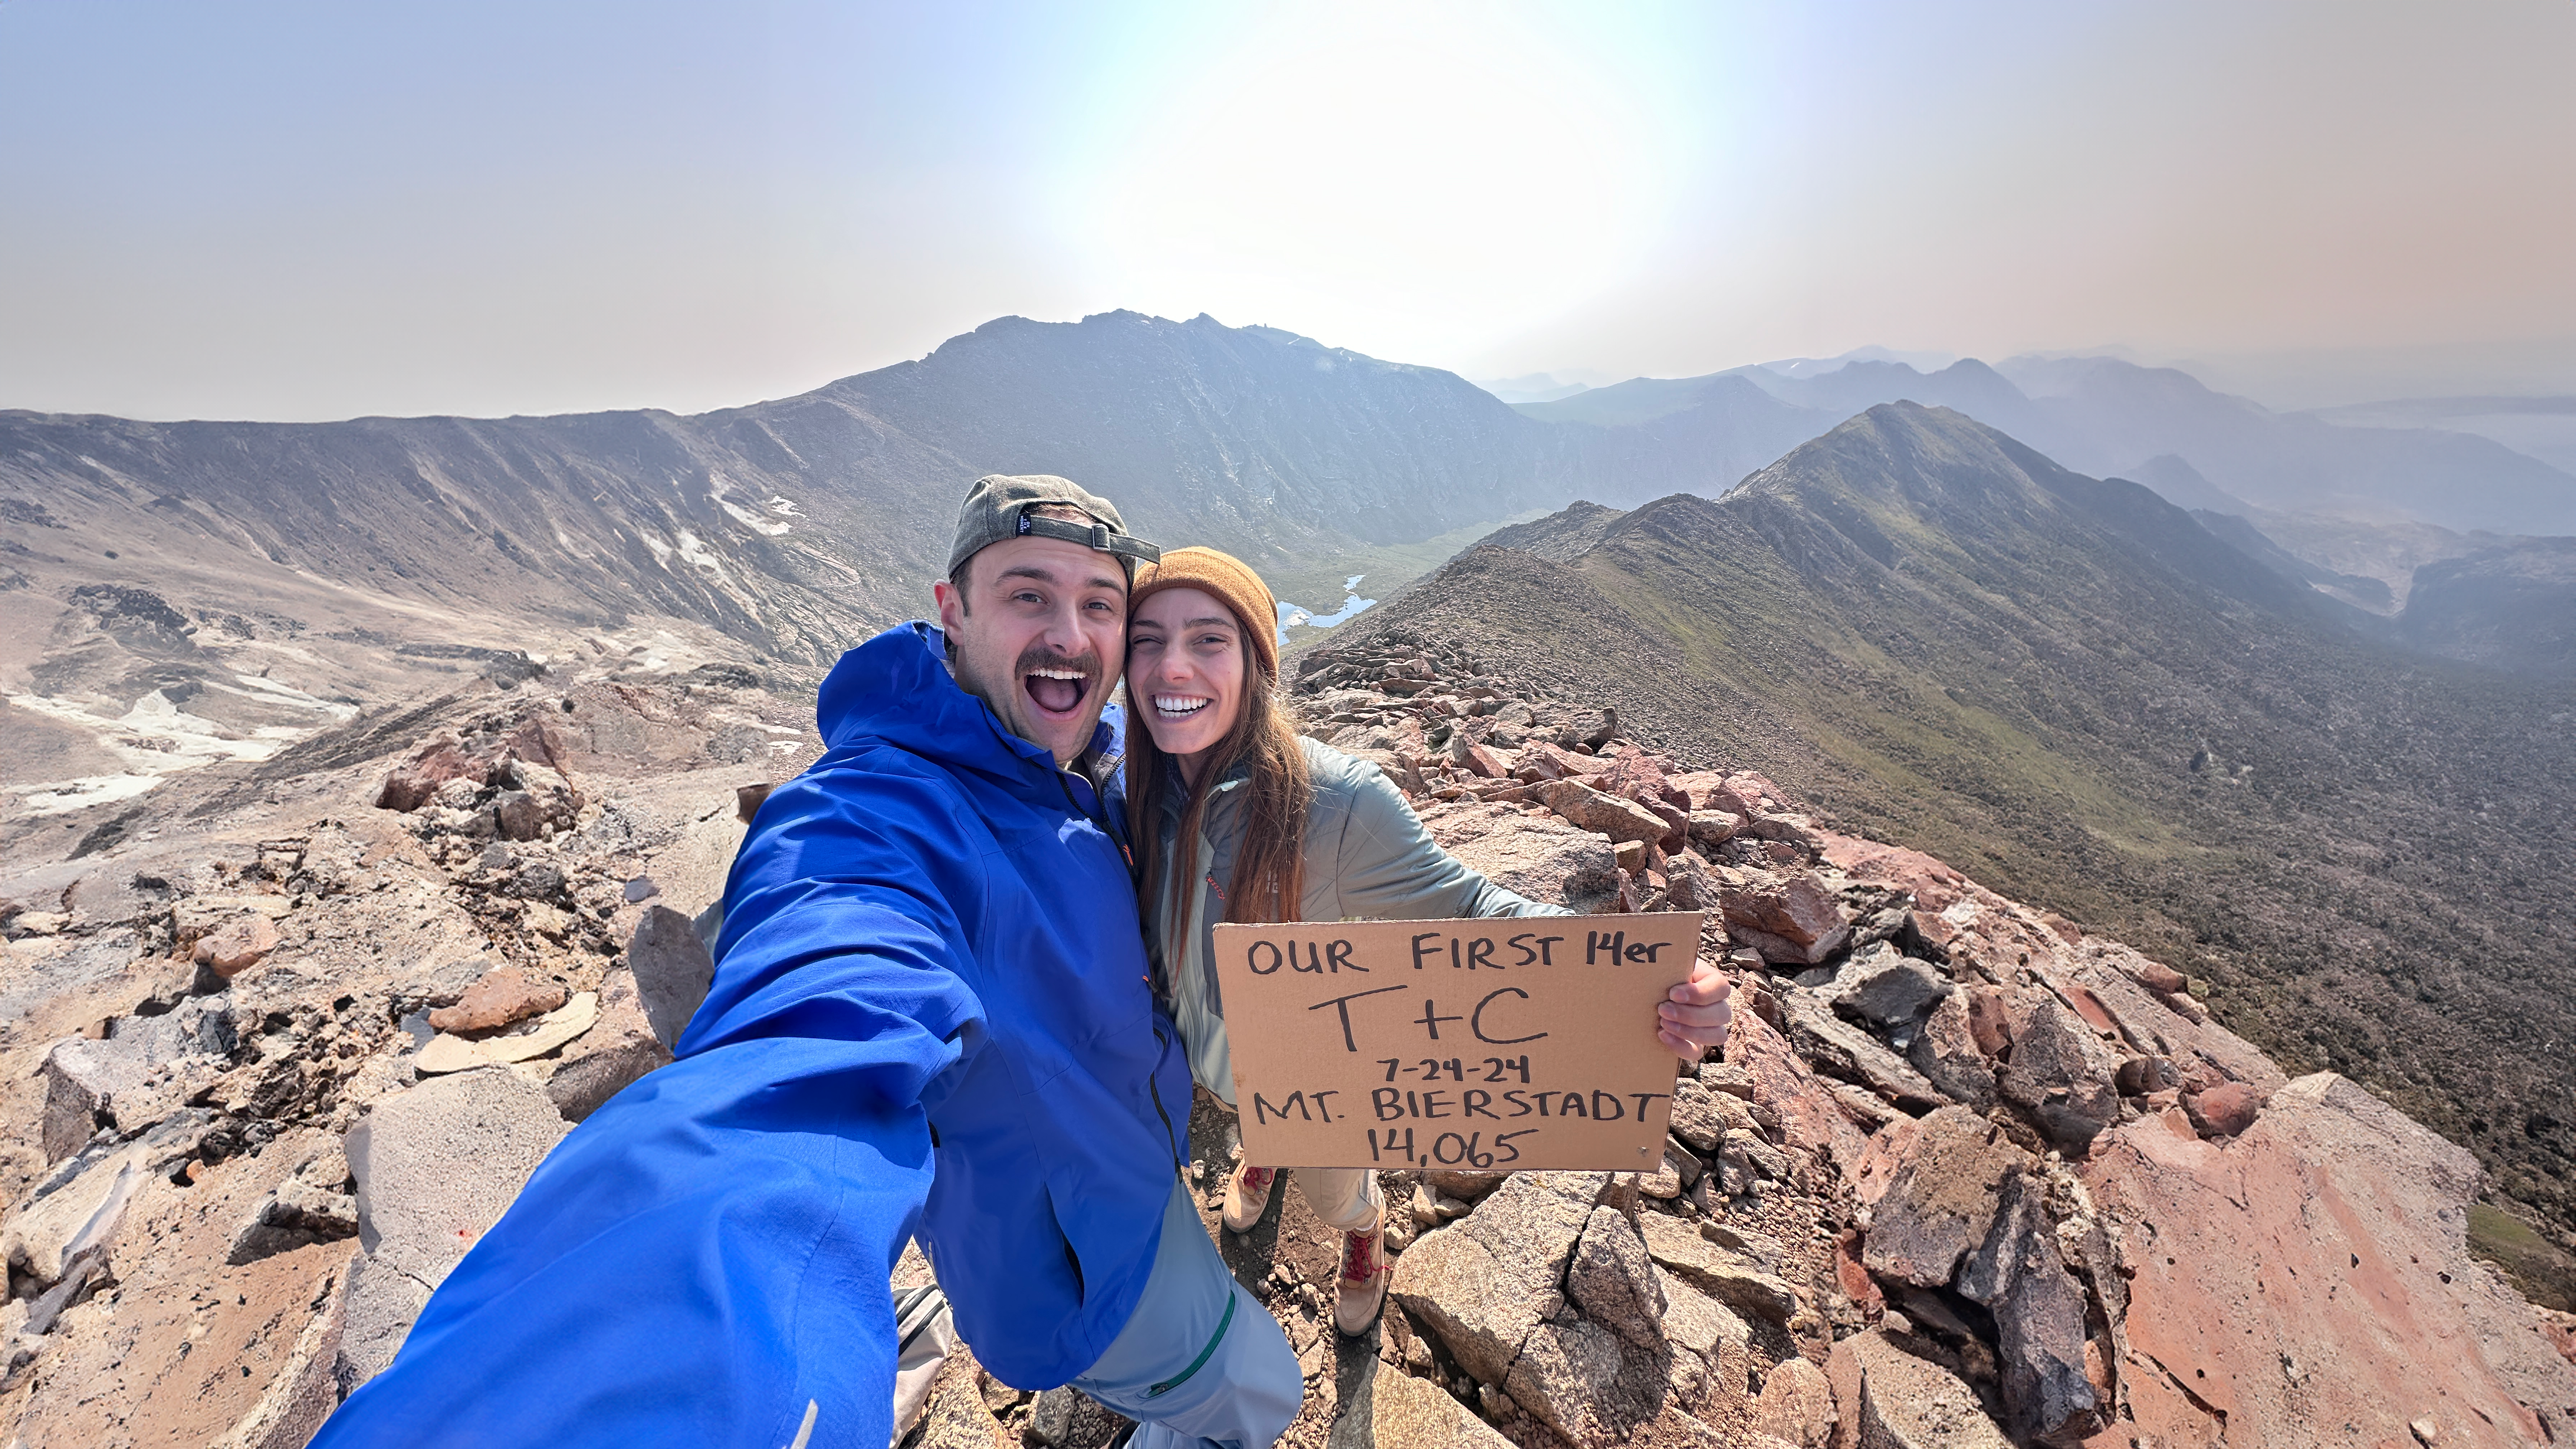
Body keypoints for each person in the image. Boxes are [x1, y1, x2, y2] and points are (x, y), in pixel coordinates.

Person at [312, 477, 1301, 1449]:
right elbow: (811, 1046)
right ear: (952, 613)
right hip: (1089, 1273)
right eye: (1028, 594)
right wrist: (684, 1360)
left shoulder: (1074, 751)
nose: (1070, 636)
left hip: (1105, 1179)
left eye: (1099, 605)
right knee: (1268, 1394)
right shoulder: (869, 818)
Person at [1121, 548, 1733, 1338]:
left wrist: (1653, 976)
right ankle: (1261, 1145)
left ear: (1254, 663)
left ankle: (1364, 1233)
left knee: (1334, 1193)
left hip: (1318, 1075)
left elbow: (1472, 906)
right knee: (1244, 1107)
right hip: (1211, 1054)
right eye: (1147, 639)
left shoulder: (1336, 803)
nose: (1173, 668)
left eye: (1208, 639)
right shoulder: (1132, 786)